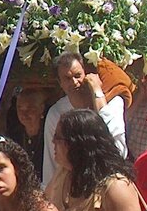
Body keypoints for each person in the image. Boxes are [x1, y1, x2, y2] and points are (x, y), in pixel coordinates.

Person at [42, 51, 129, 186]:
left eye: (78, 76)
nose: (74, 82)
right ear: (60, 83)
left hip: (110, 183)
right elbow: (51, 161)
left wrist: (97, 92)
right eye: (67, 78)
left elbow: (117, 149)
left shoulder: (113, 102)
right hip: (75, 187)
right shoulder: (56, 113)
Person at [6, 88, 47, 184]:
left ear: (41, 108)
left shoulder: (50, 134)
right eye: (19, 108)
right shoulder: (15, 134)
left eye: (30, 108)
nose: (24, 114)